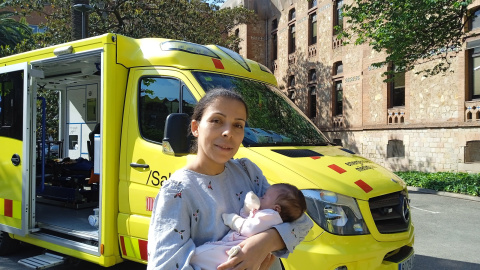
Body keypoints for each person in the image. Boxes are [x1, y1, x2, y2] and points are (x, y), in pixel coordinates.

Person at [147, 88, 313, 270]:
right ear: (195, 128)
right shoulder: (178, 192)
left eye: (238, 125)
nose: (228, 132)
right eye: (216, 121)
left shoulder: (248, 172)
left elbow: (301, 221)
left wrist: (263, 243)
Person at [190, 183, 307, 270]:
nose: (261, 197)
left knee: (199, 256)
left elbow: (248, 228)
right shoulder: (268, 214)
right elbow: (247, 217)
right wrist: (248, 207)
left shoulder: (271, 215)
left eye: (264, 197)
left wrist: (233, 220)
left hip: (238, 247)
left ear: (276, 208)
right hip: (236, 247)